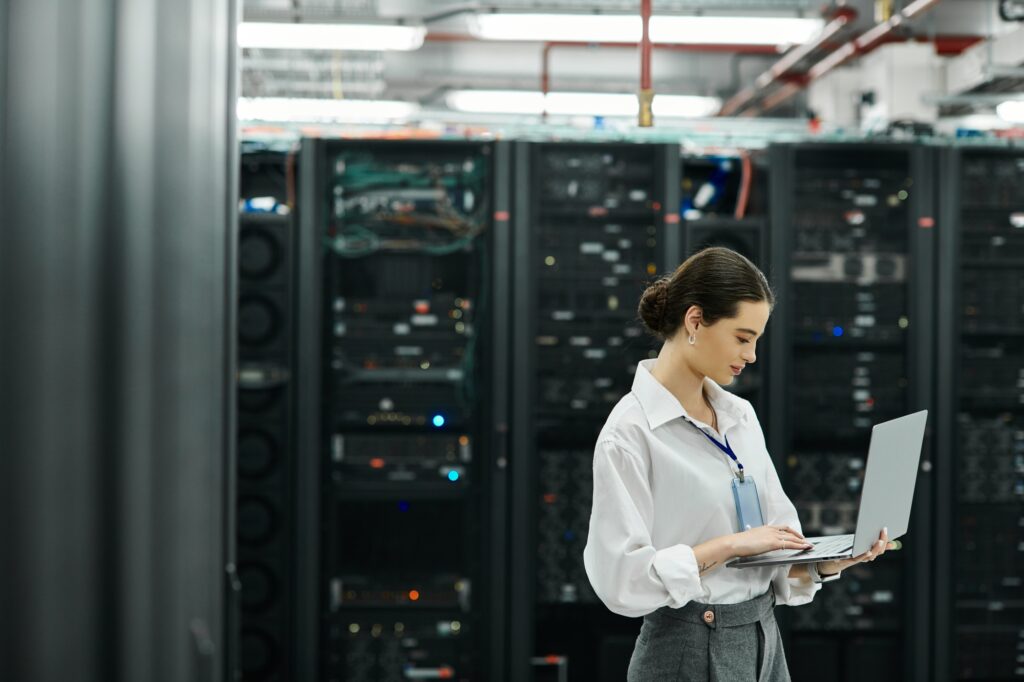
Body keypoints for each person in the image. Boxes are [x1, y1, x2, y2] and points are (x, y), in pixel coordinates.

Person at [583, 247, 892, 681]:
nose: (751, 356)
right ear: (695, 321)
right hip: (687, 647)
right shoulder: (630, 433)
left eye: (756, 341)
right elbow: (621, 582)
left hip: (763, 637)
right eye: (743, 338)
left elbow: (775, 544)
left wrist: (828, 561)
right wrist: (729, 545)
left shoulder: (740, 416)